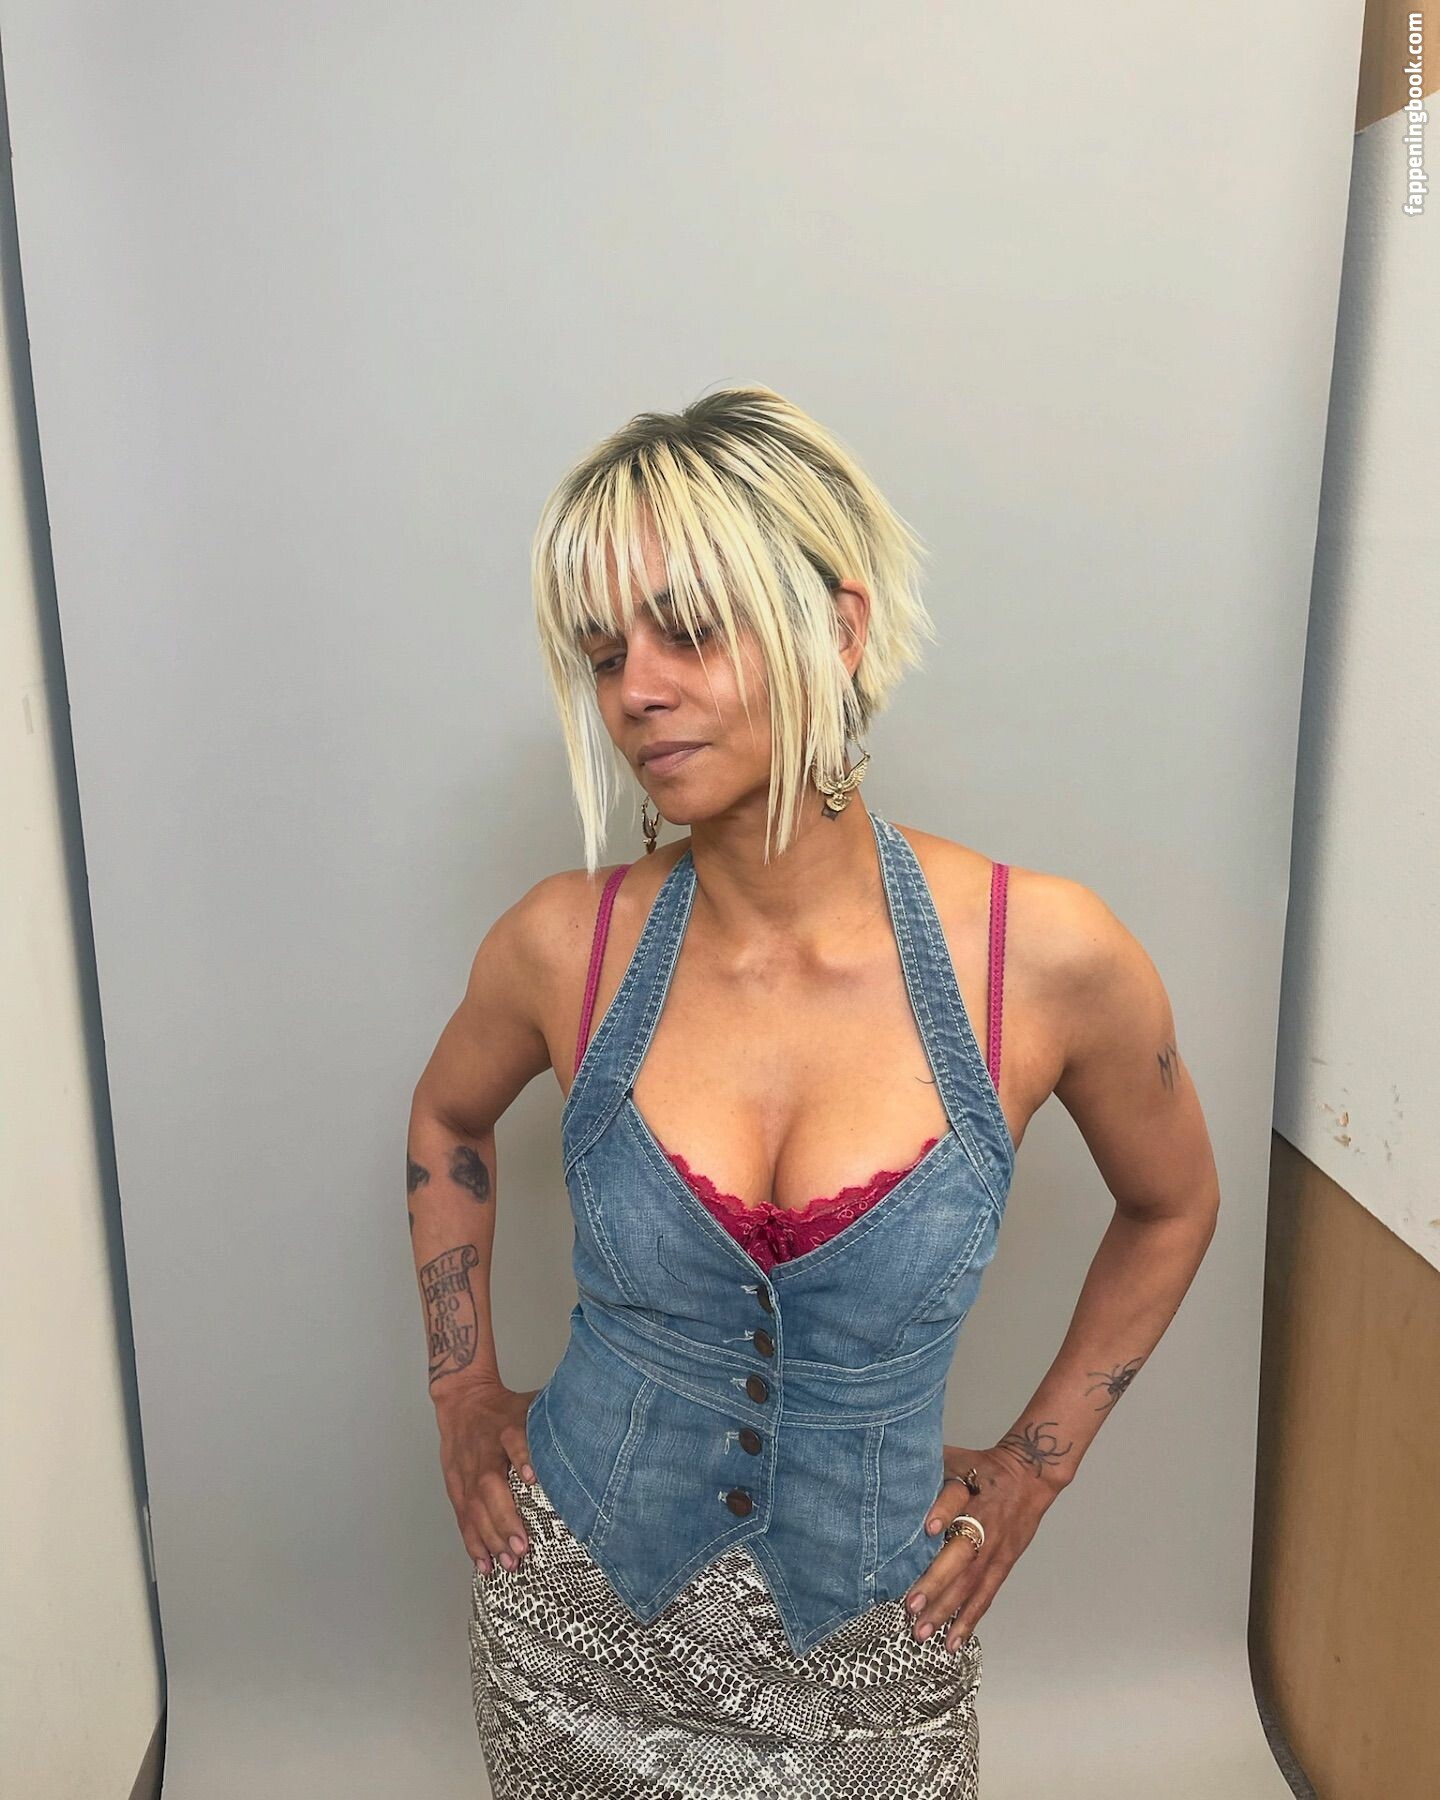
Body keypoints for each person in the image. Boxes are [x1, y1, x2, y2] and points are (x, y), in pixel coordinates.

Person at [407, 384, 1221, 1798]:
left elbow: (1175, 1203)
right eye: (605, 654)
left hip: (875, 1674)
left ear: (837, 629)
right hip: (565, 1645)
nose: (636, 689)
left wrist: (1034, 1470)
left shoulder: (1041, 960)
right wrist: (463, 1389)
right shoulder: (563, 946)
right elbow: (447, 1121)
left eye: (689, 628)